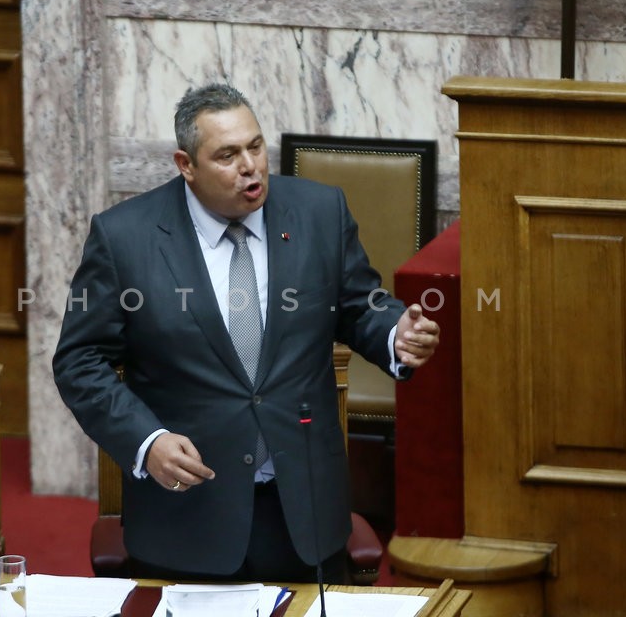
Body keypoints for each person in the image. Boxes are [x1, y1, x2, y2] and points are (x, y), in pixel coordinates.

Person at [53, 83, 440, 583]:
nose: (250, 166)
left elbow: (359, 306)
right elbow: (80, 361)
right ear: (185, 164)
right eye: (227, 155)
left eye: (255, 146)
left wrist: (394, 333)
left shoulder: (320, 212)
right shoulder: (125, 237)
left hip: (303, 506)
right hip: (189, 513)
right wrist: (147, 442)